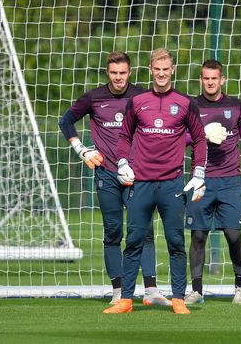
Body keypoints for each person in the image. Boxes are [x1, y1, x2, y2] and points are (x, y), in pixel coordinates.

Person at [58, 51, 170, 307]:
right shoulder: (94, 97)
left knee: (144, 231)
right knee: (113, 232)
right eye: (113, 73)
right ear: (107, 72)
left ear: (129, 72)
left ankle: (151, 290)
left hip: (138, 175)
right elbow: (65, 121)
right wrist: (81, 149)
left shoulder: (142, 96)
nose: (118, 78)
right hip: (106, 174)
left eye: (122, 73)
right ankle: (119, 291)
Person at [104, 48, 208, 315]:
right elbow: (125, 136)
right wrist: (123, 162)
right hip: (141, 184)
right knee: (134, 239)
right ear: (150, 70)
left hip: (172, 184)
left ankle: (178, 300)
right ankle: (125, 300)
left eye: (166, 69)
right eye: (157, 69)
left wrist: (199, 173)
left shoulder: (185, 103)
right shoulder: (137, 101)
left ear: (172, 70)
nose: (161, 74)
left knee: (175, 242)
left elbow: (199, 139)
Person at [184, 59, 241, 305]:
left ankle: (240, 287)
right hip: (200, 179)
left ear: (222, 79)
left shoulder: (236, 107)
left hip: (230, 181)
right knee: (198, 236)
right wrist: (201, 134)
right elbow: (179, 139)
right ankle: (196, 291)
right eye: (205, 78)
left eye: (214, 78)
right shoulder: (190, 105)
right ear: (200, 79)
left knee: (233, 235)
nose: (210, 82)